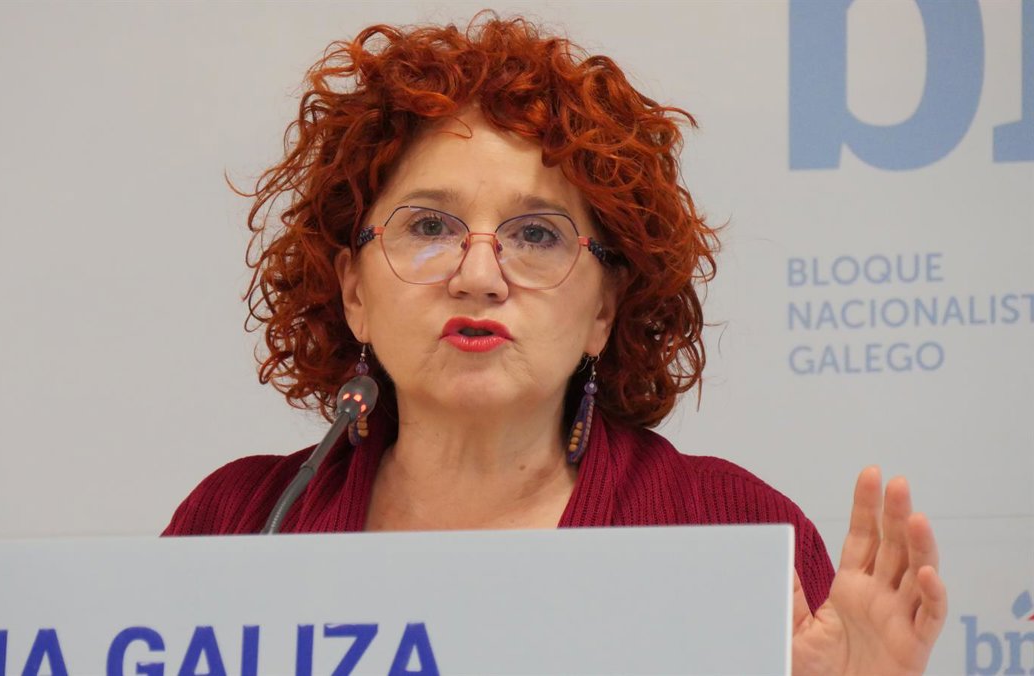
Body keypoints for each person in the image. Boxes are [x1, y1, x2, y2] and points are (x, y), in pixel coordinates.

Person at [164, 14, 946, 673]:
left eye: (536, 234)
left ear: (604, 307)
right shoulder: (238, 525)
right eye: (429, 225)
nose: (479, 276)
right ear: (355, 293)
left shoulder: (732, 532)